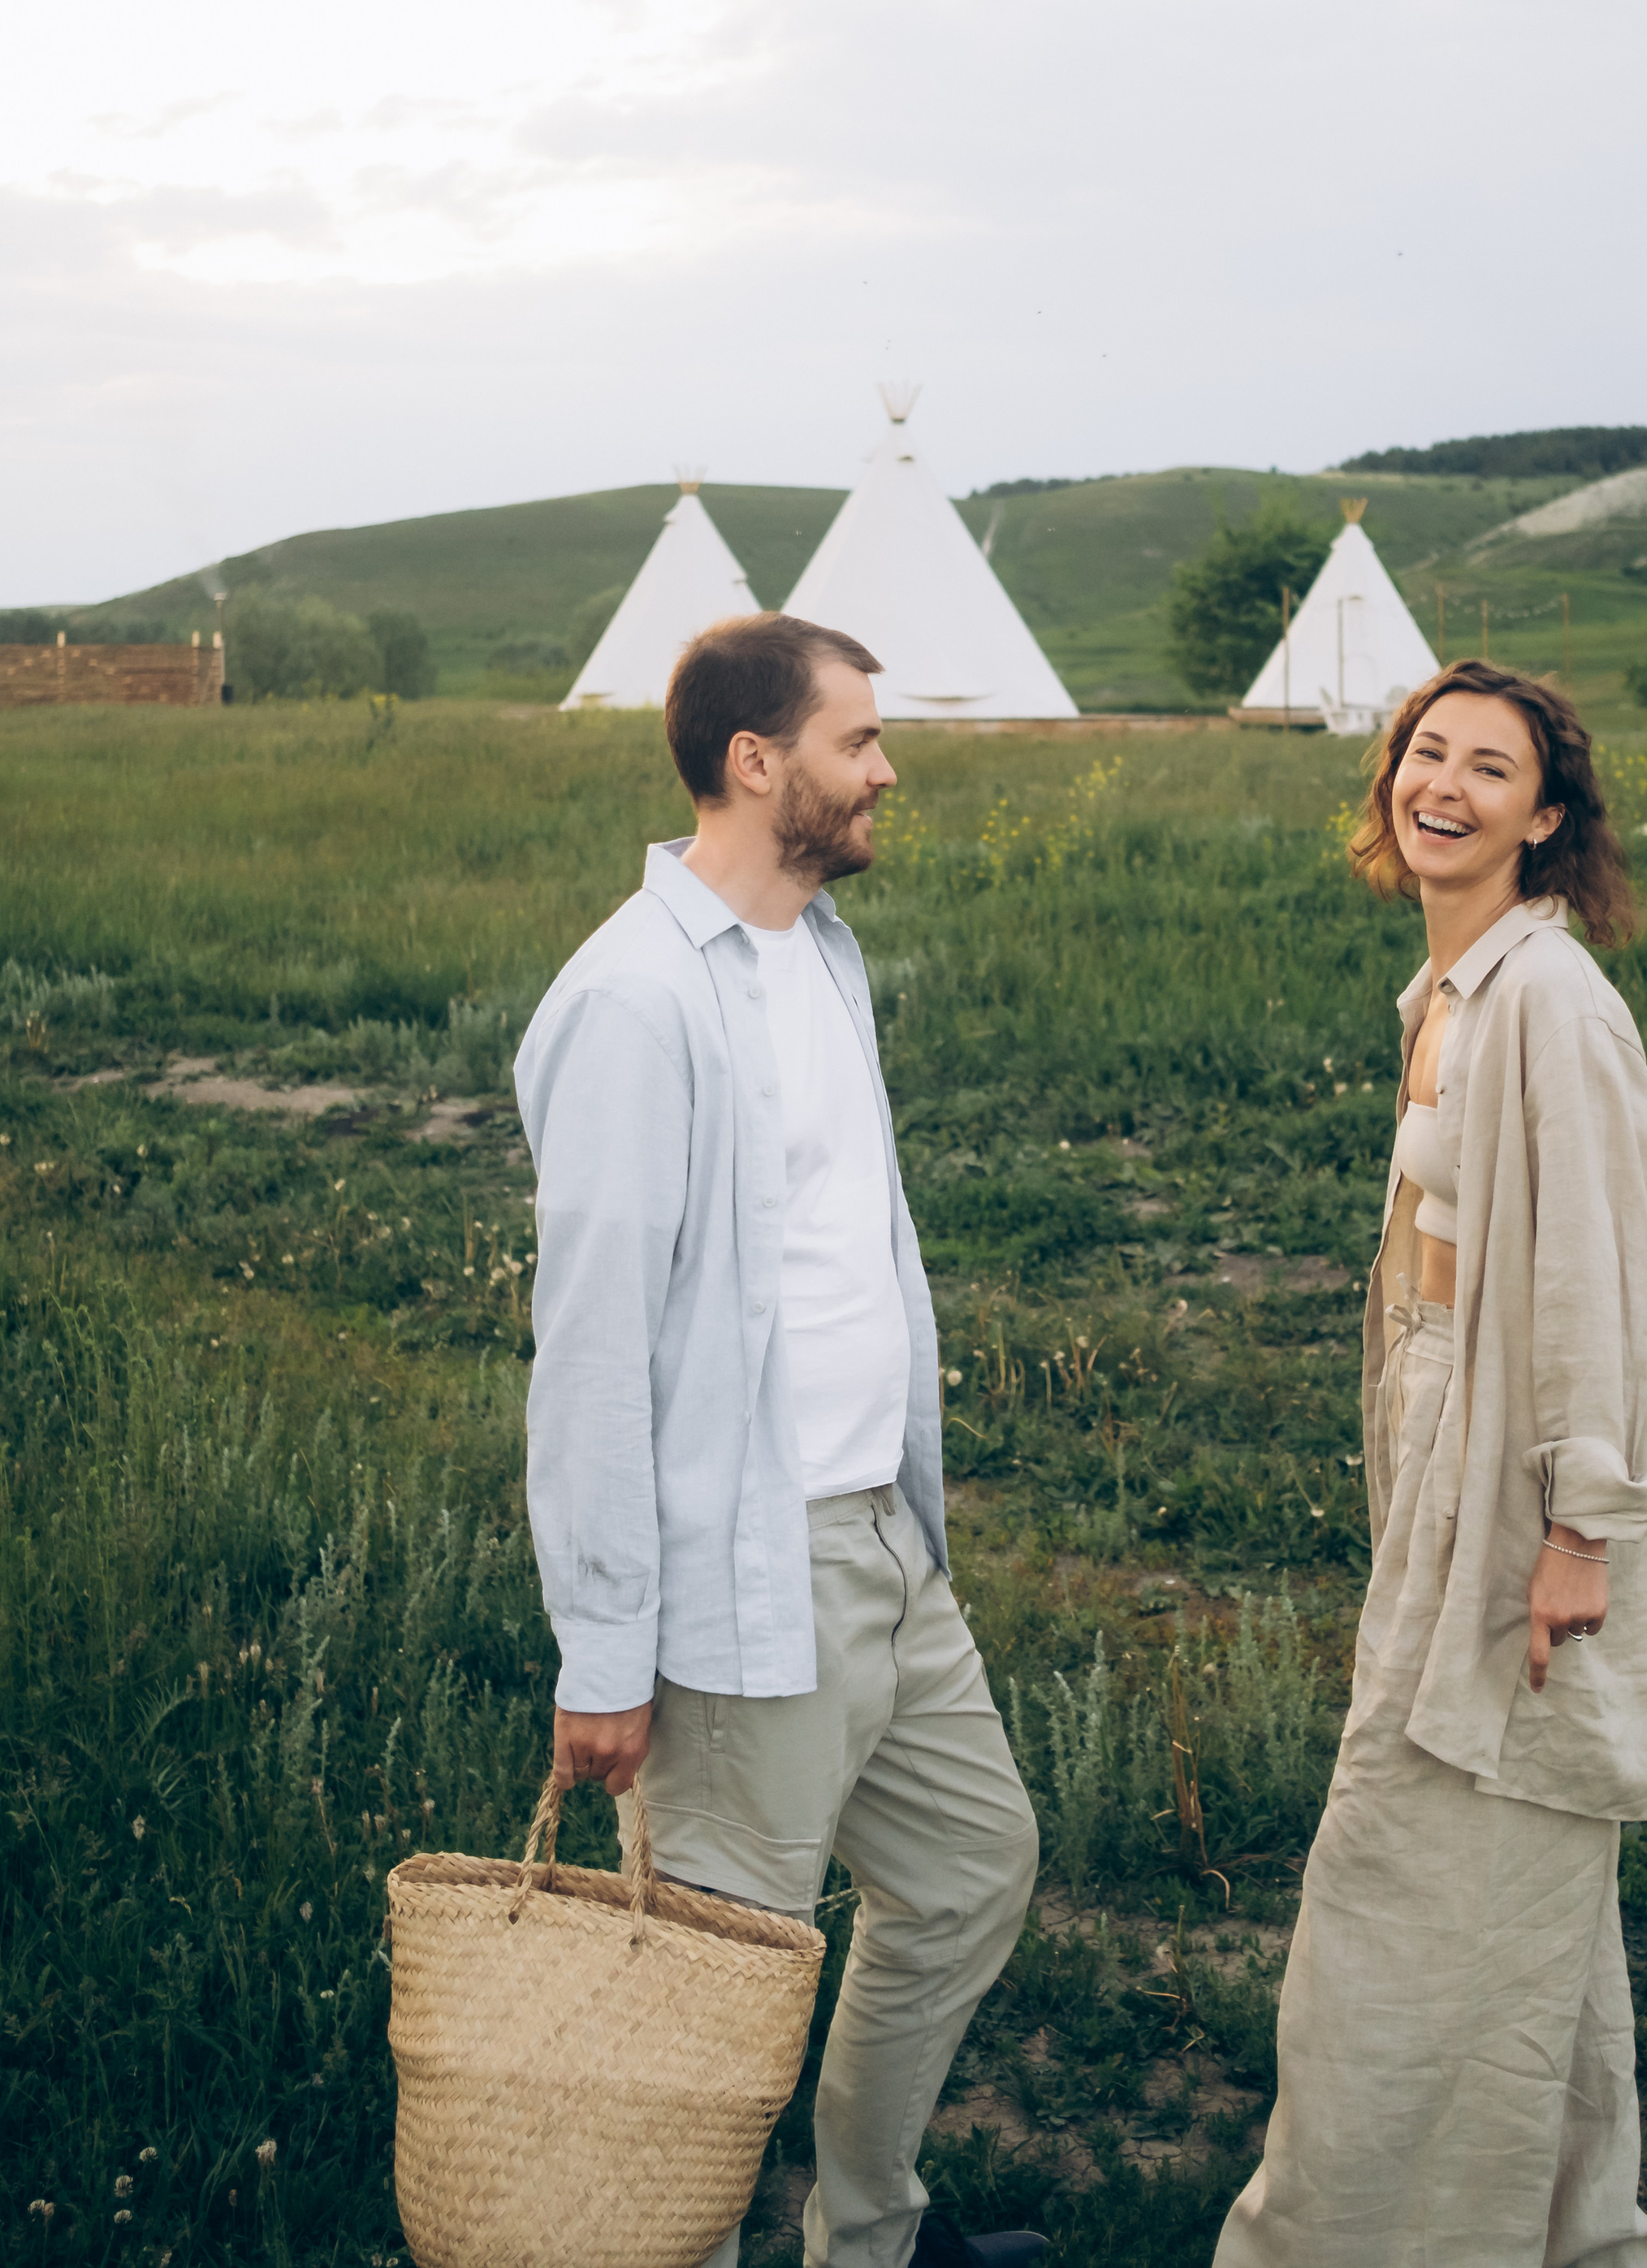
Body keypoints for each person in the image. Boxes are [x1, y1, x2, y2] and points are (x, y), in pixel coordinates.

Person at [1213, 660, 1647, 2268]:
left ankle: (1347, 2234)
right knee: (1525, 1880)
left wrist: (1578, 1531)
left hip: (1516, 1487)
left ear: (1547, 814)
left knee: (1400, 1866)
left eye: (1486, 766)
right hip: (1449, 1448)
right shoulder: (1454, 984)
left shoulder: (1548, 1005)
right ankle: (1564, 2221)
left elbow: (1589, 1281)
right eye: (1421, 752)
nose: (1439, 783)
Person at [514, 613, 1042, 2268]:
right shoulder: (630, 1001)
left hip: (879, 1536)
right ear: (760, 764)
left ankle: (865, 2236)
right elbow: (590, 1352)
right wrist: (605, 1646)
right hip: (747, 1576)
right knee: (716, 1994)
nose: (886, 770)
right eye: (858, 741)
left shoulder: (819, 954)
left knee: (968, 1871)